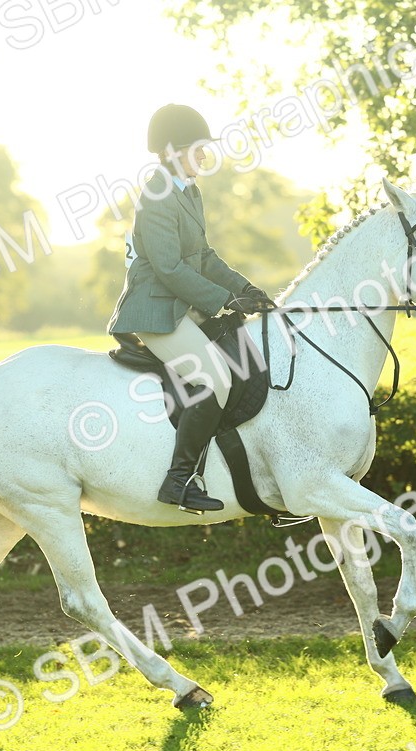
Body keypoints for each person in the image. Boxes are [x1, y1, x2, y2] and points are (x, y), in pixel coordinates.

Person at [108, 104, 276, 513]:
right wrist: (221, 300)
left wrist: (245, 289)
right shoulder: (157, 193)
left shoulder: (189, 191)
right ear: (172, 150)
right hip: (157, 311)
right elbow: (168, 267)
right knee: (215, 378)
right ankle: (178, 480)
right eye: (198, 148)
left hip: (181, 307)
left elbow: (205, 256)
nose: (204, 156)